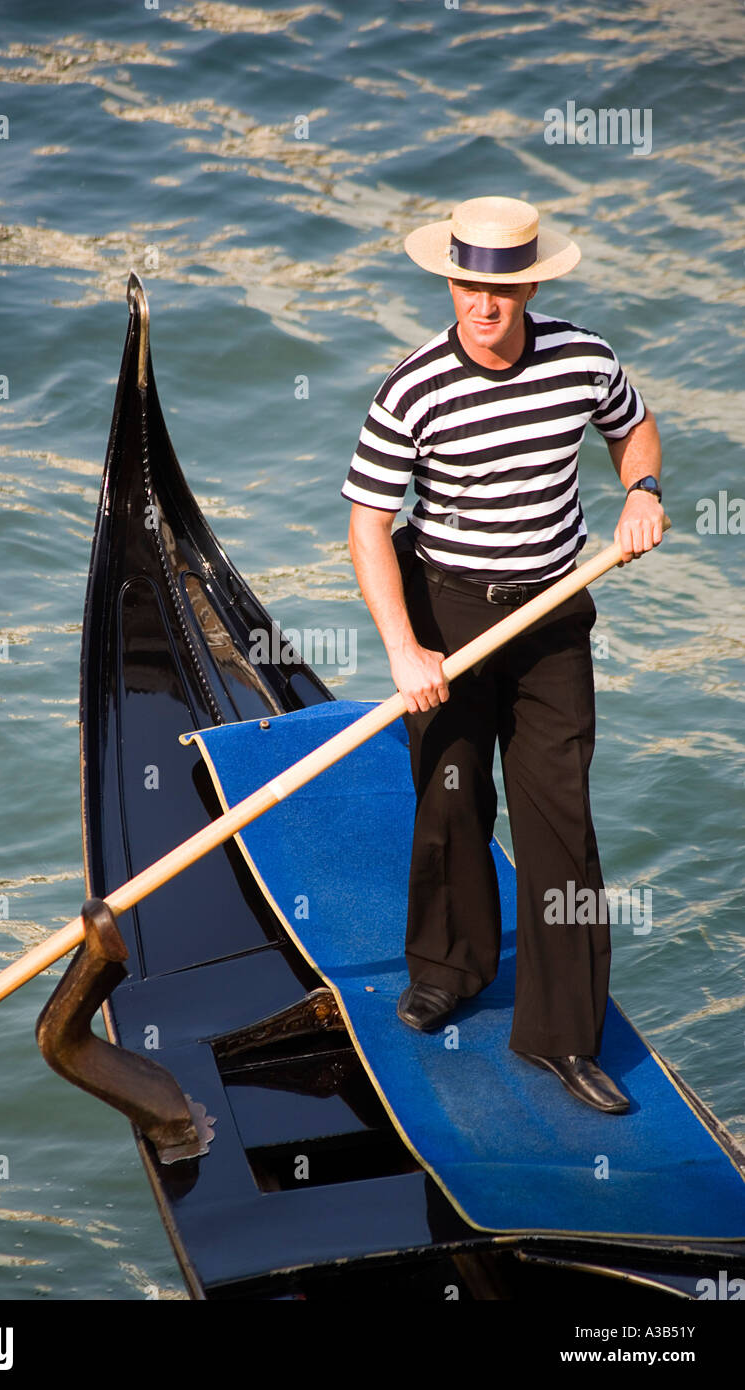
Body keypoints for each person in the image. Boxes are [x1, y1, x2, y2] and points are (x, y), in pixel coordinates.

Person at [342, 196, 666, 1114]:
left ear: (527, 284)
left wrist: (639, 489)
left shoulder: (581, 357)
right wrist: (404, 649)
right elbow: (368, 527)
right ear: (448, 280)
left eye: (499, 288)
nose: (481, 304)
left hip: (552, 615)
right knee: (450, 795)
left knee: (559, 820)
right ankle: (449, 967)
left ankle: (563, 1037)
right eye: (465, 284)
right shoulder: (411, 386)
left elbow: (630, 426)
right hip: (443, 608)